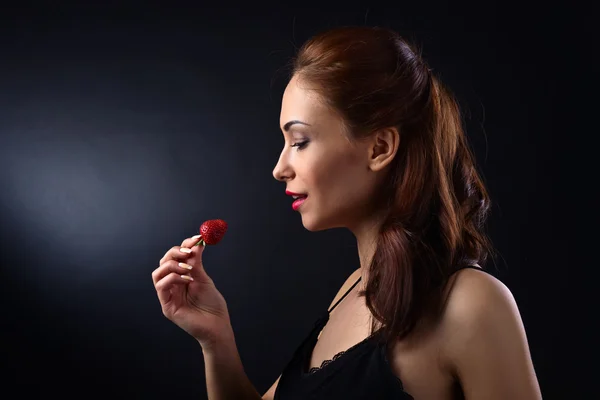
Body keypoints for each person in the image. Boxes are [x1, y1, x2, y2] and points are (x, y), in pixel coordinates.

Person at [152, 26, 542, 399]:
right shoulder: (351, 290)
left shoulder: (472, 304)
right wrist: (215, 338)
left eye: (300, 141)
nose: (279, 168)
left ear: (379, 149)